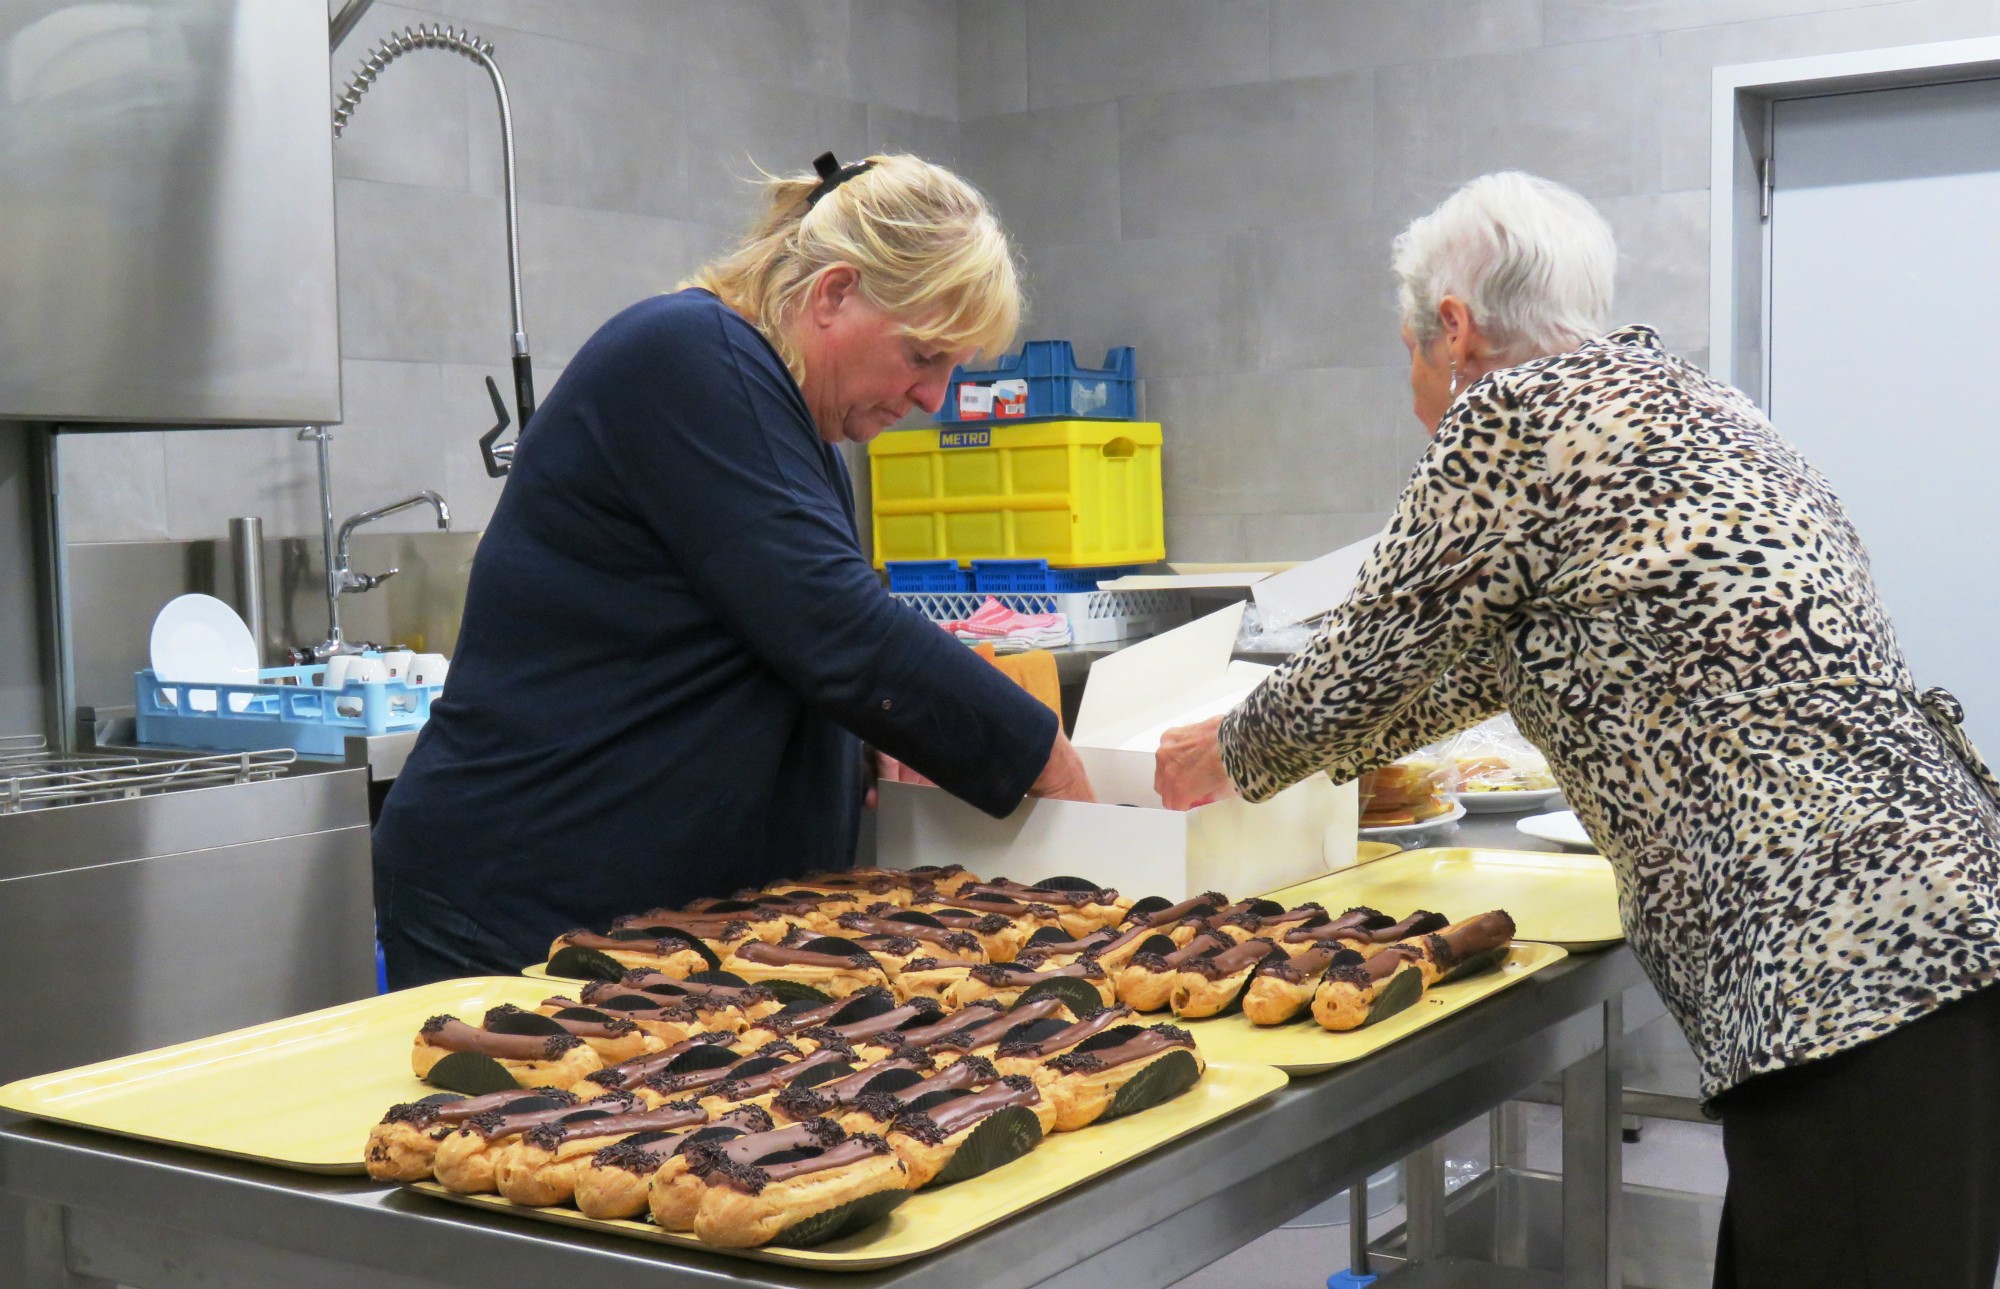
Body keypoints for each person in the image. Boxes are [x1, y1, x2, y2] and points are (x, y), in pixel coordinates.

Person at [1154, 171, 2000, 1289]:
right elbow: (1473, 662)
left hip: (1843, 962)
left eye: (1408, 358)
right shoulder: (1693, 404)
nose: (1414, 395)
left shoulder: (1511, 416)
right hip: (1935, 920)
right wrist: (1322, 750)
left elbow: (1370, 653)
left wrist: (1219, 752)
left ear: (1451, 329)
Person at [373, 152, 1092, 989]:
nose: (934, 397)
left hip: (654, 926)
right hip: (518, 908)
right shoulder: (689, 358)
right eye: (924, 356)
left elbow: (761, 636)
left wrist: (872, 741)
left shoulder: (791, 418)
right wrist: (1049, 761)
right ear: (833, 294)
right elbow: (836, 625)